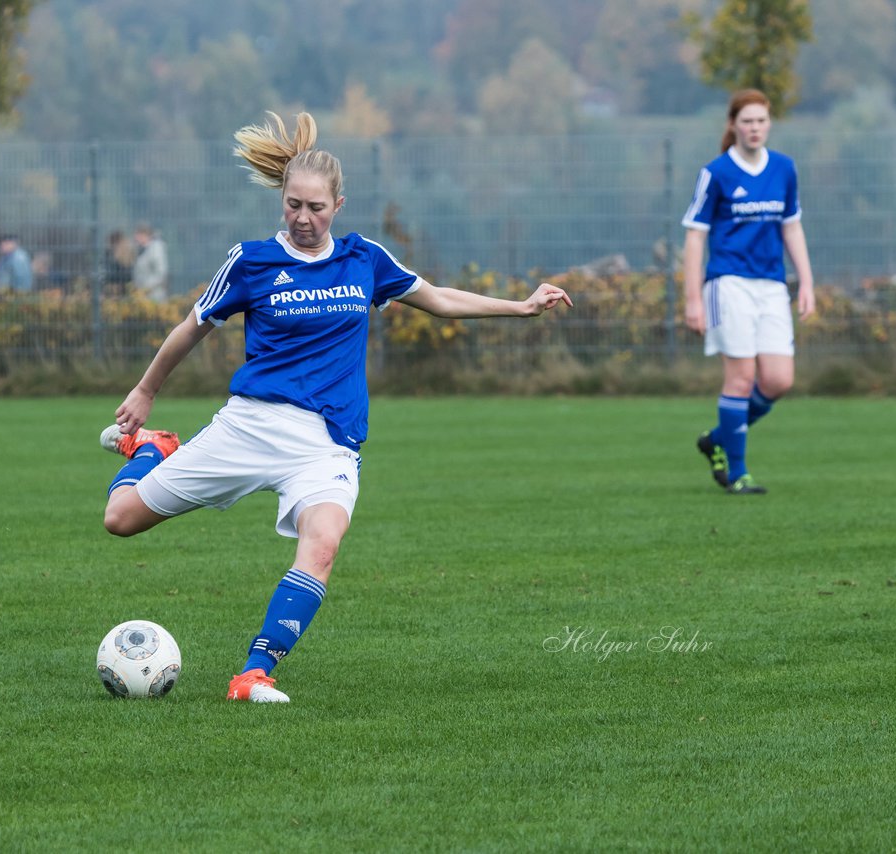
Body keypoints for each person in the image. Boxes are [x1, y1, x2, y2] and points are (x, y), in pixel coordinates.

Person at [98, 111, 573, 703]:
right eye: (293, 204)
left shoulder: (364, 259)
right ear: (282, 199)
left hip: (327, 444)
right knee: (120, 519)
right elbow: (190, 329)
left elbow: (440, 299)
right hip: (250, 426)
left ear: (338, 204)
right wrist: (145, 393)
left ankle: (253, 674)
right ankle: (150, 451)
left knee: (323, 541)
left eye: (315, 207)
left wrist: (520, 307)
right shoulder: (250, 261)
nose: (302, 217)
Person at [682, 89, 816, 495]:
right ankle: (737, 473)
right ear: (733, 125)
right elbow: (694, 239)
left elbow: (791, 226)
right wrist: (693, 299)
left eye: (761, 121)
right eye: (747, 121)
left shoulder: (784, 169)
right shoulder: (717, 173)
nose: (754, 128)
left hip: (772, 285)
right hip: (729, 283)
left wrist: (806, 281)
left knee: (777, 381)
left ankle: (717, 439)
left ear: (769, 124)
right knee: (740, 379)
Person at [131, 222, 169, 301]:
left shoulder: (156, 248)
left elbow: (161, 273)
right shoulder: (141, 249)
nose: (135, 237)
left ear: (144, 235)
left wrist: (145, 288)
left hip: (155, 296)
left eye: (137, 234)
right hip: (143, 296)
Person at [103, 230, 136, 297]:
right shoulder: (128, 253)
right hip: (126, 290)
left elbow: (109, 275)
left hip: (116, 290)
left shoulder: (113, 255)